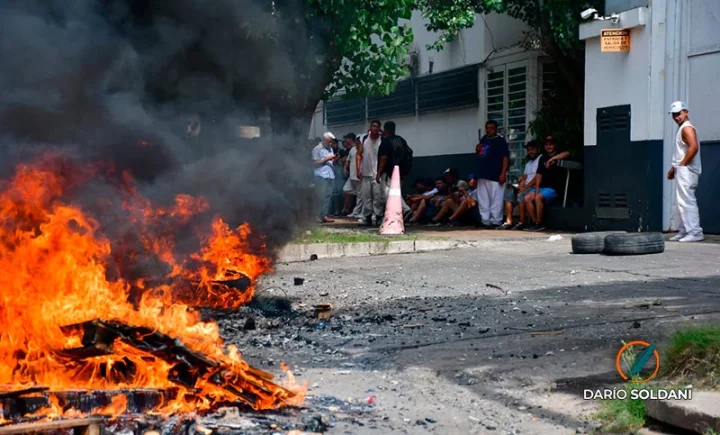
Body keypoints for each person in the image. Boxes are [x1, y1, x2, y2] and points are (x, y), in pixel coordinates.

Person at [667, 101, 703, 242]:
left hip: (687, 170)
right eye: (674, 114)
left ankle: (694, 232)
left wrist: (681, 165)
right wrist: (674, 168)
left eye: (679, 113)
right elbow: (682, 152)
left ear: (686, 112)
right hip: (682, 169)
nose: (676, 117)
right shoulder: (682, 128)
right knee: (679, 202)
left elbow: (693, 147)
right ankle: (684, 230)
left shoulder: (687, 128)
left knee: (686, 201)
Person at [523, 137, 567, 231]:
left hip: (554, 188)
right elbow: (539, 174)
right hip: (542, 187)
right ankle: (535, 223)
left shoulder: (559, 154)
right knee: (527, 198)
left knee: (538, 197)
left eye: (550, 144)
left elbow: (567, 153)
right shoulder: (542, 157)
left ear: (555, 145)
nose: (548, 147)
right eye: (546, 145)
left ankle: (540, 222)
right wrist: (537, 187)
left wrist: (553, 159)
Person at [475, 120, 509, 228]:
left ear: (496, 129)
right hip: (483, 174)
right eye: (487, 128)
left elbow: (505, 157)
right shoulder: (484, 139)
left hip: (496, 174)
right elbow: (481, 156)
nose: (489, 130)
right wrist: (477, 150)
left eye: (491, 128)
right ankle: (485, 220)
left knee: (496, 198)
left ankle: (496, 221)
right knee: (483, 199)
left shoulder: (500, 141)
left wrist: (503, 173)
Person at [377, 121, 412, 218]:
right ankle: (396, 214)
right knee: (396, 192)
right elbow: (410, 152)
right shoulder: (401, 140)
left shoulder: (386, 142)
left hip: (389, 172)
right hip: (401, 171)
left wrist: (379, 173)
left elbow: (383, 158)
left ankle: (405, 209)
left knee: (389, 193)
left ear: (385, 129)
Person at [357, 120, 384, 226]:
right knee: (365, 196)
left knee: (378, 196)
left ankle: (378, 216)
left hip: (377, 173)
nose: (375, 128)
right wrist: (358, 169)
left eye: (377, 126)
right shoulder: (364, 139)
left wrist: (380, 172)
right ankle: (367, 217)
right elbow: (359, 154)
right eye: (373, 126)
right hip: (365, 172)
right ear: (370, 127)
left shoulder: (382, 139)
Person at [312, 132, 339, 223]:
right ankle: (316, 215)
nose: (331, 144)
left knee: (328, 196)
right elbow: (314, 163)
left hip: (330, 175)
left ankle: (324, 215)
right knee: (320, 196)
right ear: (324, 140)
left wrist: (334, 159)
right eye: (329, 142)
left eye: (331, 142)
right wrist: (326, 159)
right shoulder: (317, 149)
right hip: (321, 175)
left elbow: (331, 162)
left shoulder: (330, 149)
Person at [341, 133, 362, 217]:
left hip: (359, 175)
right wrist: (345, 168)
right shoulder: (353, 149)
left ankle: (356, 212)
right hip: (352, 175)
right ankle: (356, 211)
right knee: (346, 189)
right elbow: (347, 160)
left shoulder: (364, 149)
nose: (357, 141)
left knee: (360, 196)